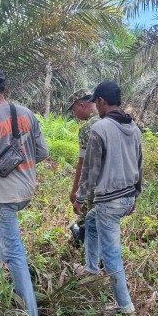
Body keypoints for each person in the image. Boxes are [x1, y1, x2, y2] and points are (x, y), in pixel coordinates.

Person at [0, 66, 49, 316]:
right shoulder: (26, 113)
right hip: (26, 190)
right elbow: (42, 153)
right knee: (0, 229)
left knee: (14, 252)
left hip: (5, 195)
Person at [73, 81, 142, 316]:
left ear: (101, 102)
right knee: (91, 223)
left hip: (110, 201)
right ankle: (91, 268)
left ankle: (126, 309)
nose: (95, 107)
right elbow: (139, 164)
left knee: (112, 256)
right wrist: (136, 196)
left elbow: (90, 169)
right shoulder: (133, 128)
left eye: (96, 103)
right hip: (127, 198)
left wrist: (79, 198)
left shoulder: (100, 129)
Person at [66, 89, 98, 246]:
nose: (75, 114)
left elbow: (83, 163)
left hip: (96, 185)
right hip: (121, 186)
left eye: (74, 110)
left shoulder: (87, 128)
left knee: (89, 219)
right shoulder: (117, 120)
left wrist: (75, 192)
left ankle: (86, 246)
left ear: (82, 105)